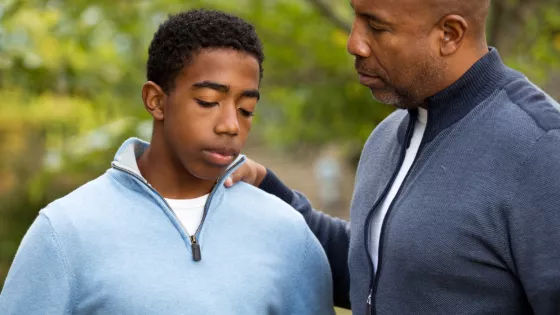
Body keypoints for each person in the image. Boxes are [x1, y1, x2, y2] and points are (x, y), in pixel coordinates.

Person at [225, 0, 560, 314]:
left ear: (449, 34)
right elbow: (379, 273)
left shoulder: (541, 149)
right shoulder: (387, 136)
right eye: (355, 15)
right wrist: (268, 192)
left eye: (376, 26)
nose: (354, 43)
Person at [0, 9, 334, 315]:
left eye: (246, 109)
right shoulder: (65, 231)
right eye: (208, 102)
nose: (231, 125)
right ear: (156, 101)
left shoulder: (287, 233)